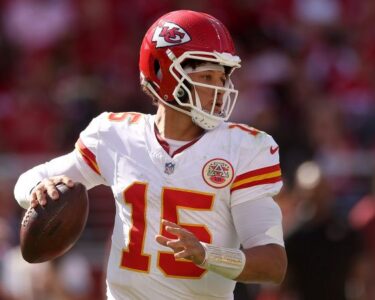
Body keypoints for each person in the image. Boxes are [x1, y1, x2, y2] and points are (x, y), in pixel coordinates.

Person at [14, 10, 287, 300]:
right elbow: (27, 182)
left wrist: (208, 255)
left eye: (222, 78)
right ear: (164, 74)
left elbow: (272, 263)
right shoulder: (116, 134)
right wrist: (38, 190)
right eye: (207, 76)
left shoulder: (244, 148)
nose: (218, 90)